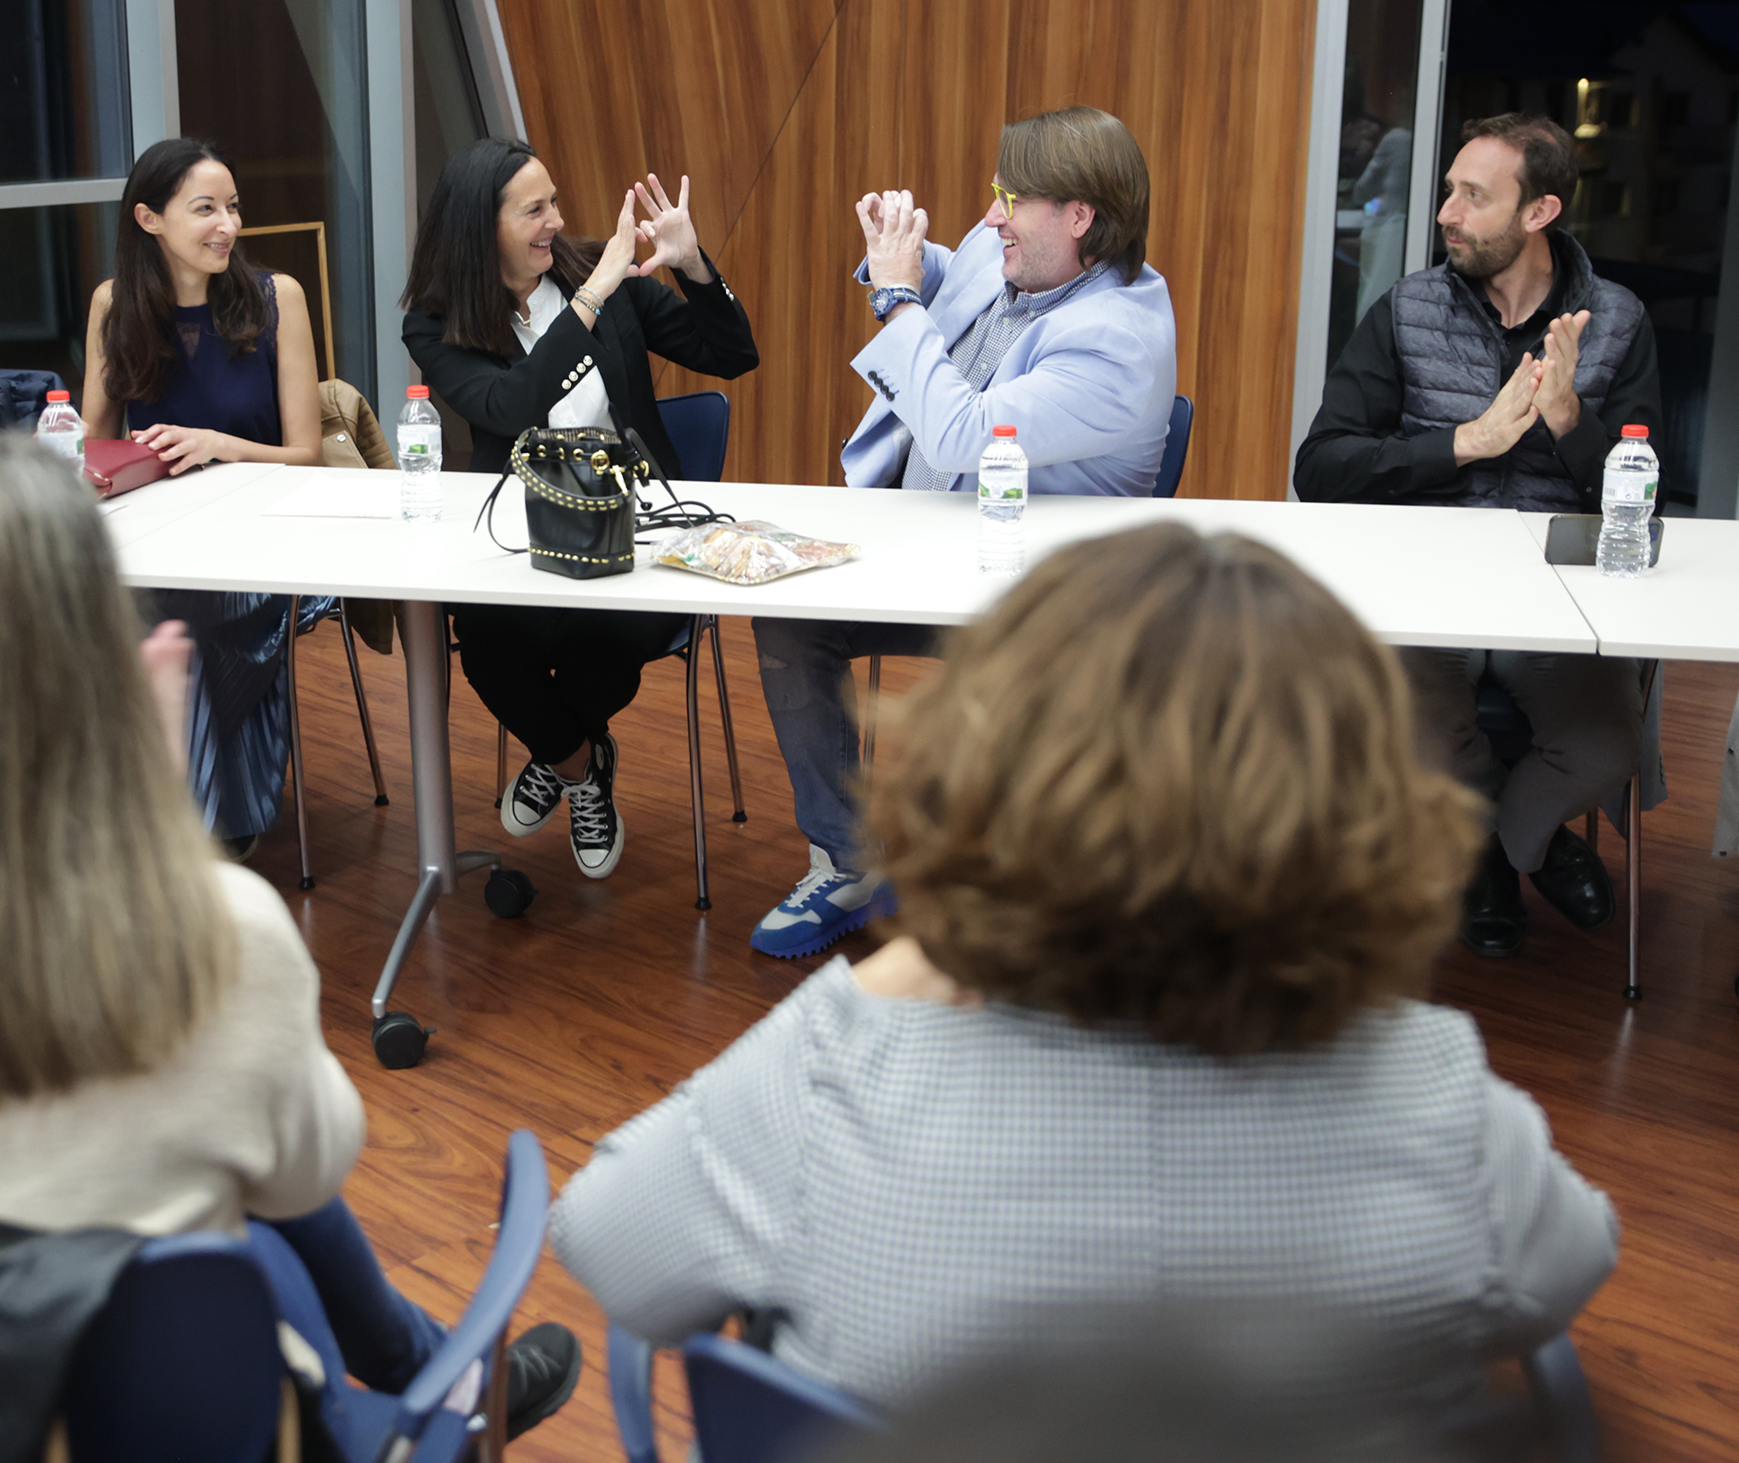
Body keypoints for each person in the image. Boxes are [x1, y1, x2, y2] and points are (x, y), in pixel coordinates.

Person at [552, 524, 1618, 1420]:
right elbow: (1568, 1268)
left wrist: (918, 950)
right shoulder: (1439, 1098)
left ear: (992, 774)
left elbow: (612, 1247)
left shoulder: (829, 1075)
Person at [0, 420, 580, 1438]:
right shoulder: (216, 930)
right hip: (162, 1421)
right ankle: (436, 1394)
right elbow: (310, 1169)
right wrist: (157, 830)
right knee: (248, 1225)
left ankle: (435, 1374)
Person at [749, 105, 1177, 956]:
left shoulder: (1118, 342)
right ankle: (846, 859)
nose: (989, 217)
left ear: (1079, 215)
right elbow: (957, 275)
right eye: (995, 192)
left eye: (1010, 200)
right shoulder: (1010, 249)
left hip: (1042, 605)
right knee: (789, 615)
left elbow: (964, 436)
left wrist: (896, 296)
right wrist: (900, 252)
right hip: (933, 556)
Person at [1294, 113, 1659, 958]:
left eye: (1472, 196)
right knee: (1409, 735)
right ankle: (1518, 850)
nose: (1445, 214)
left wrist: (1568, 422)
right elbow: (1320, 467)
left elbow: (1644, 510)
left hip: (1558, 597)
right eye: (1448, 191)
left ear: (1539, 212)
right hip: (1427, 589)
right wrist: (1465, 443)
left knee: (1605, 748)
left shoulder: (1617, 320)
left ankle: (1497, 851)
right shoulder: (1407, 309)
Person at [401, 138, 757, 880]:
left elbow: (731, 355)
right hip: (520, 535)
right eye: (534, 210)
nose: (557, 222)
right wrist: (590, 299)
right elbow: (510, 406)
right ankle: (580, 764)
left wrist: (693, 265)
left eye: (555, 202)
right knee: (489, 642)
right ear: (481, 227)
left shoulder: (603, 276)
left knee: (606, 640)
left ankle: (556, 758)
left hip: (637, 528)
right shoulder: (436, 322)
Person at [81, 137, 324, 850]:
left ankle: (203, 823)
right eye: (206, 209)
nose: (228, 226)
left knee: (186, 620)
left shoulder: (278, 298)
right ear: (149, 219)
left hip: (262, 542)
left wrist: (221, 445)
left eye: (233, 207)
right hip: (153, 539)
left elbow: (307, 456)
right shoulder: (114, 304)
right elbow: (94, 442)